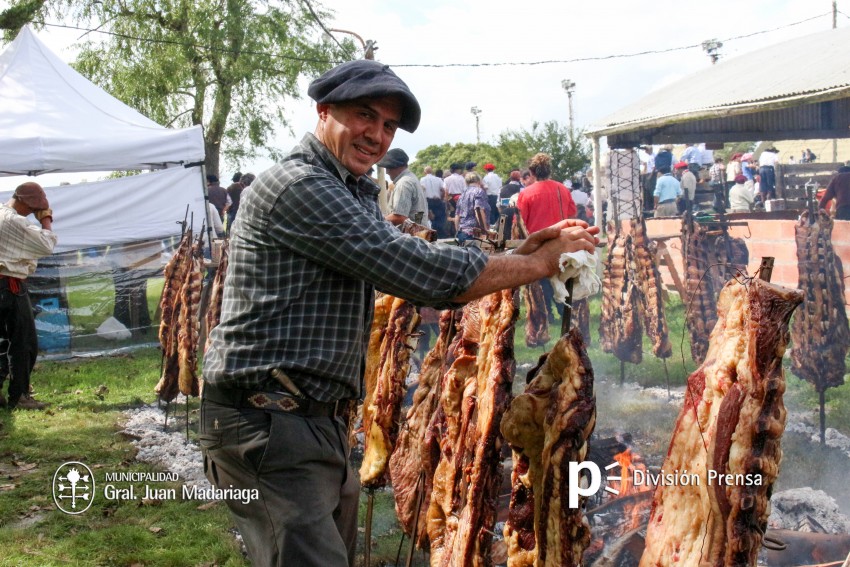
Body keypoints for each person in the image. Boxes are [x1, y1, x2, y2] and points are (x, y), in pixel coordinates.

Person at [200, 59, 600, 567]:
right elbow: (415, 271)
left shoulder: (348, 188)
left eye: (389, 125)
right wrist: (540, 263)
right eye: (365, 116)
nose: (377, 135)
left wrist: (521, 253)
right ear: (323, 111)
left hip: (312, 421)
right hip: (269, 423)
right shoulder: (300, 187)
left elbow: (411, 257)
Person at [0, 182, 58, 410]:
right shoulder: (14, 220)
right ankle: (20, 396)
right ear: (24, 202)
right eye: (33, 209)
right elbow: (46, 245)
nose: (33, 213)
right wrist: (46, 219)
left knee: (3, 342)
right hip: (9, 285)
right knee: (23, 342)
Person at [517, 153, 577, 321]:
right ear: (549, 170)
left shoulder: (526, 193)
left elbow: (520, 222)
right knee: (562, 277)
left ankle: (547, 313)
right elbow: (572, 213)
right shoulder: (562, 189)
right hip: (561, 240)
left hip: (538, 243)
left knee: (542, 280)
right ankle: (564, 310)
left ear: (532, 173)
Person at [378, 148, 427, 226]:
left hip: (409, 232)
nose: (387, 172)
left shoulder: (403, 184)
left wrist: (377, 221)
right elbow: (418, 213)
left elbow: (400, 217)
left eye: (388, 167)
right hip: (418, 230)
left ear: (396, 166)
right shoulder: (411, 178)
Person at [455, 172, 490, 245]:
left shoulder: (463, 194)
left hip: (462, 232)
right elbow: (479, 211)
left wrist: (457, 231)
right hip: (474, 233)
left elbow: (457, 215)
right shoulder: (479, 191)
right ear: (479, 181)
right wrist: (484, 231)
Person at [420, 166, 448, 237]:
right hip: (437, 200)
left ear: (424, 172)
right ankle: (440, 233)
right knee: (440, 217)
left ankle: (432, 233)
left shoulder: (422, 179)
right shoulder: (438, 179)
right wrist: (441, 198)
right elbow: (443, 190)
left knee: (429, 218)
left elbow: (422, 190)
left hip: (428, 200)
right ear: (432, 171)